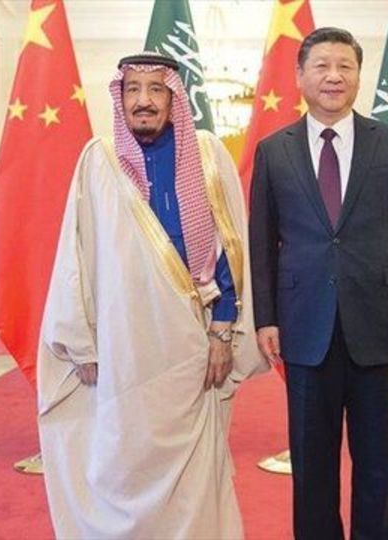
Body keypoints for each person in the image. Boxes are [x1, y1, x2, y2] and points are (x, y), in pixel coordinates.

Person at [37, 52, 267, 539]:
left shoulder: (207, 154)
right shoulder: (98, 160)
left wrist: (223, 332)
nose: (143, 101)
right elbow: (75, 254)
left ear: (173, 98)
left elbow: (231, 250)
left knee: (193, 470)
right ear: (120, 97)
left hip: (193, 342)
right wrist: (80, 340)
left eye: (155, 89)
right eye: (133, 89)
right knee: (122, 457)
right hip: (121, 342)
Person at [249, 28, 388, 539]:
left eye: (344, 66)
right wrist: (266, 317)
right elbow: (262, 243)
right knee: (311, 465)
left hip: (381, 323)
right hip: (304, 325)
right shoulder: (274, 151)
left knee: (382, 463)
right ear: (300, 76)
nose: (333, 76)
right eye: (322, 66)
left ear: (358, 75)